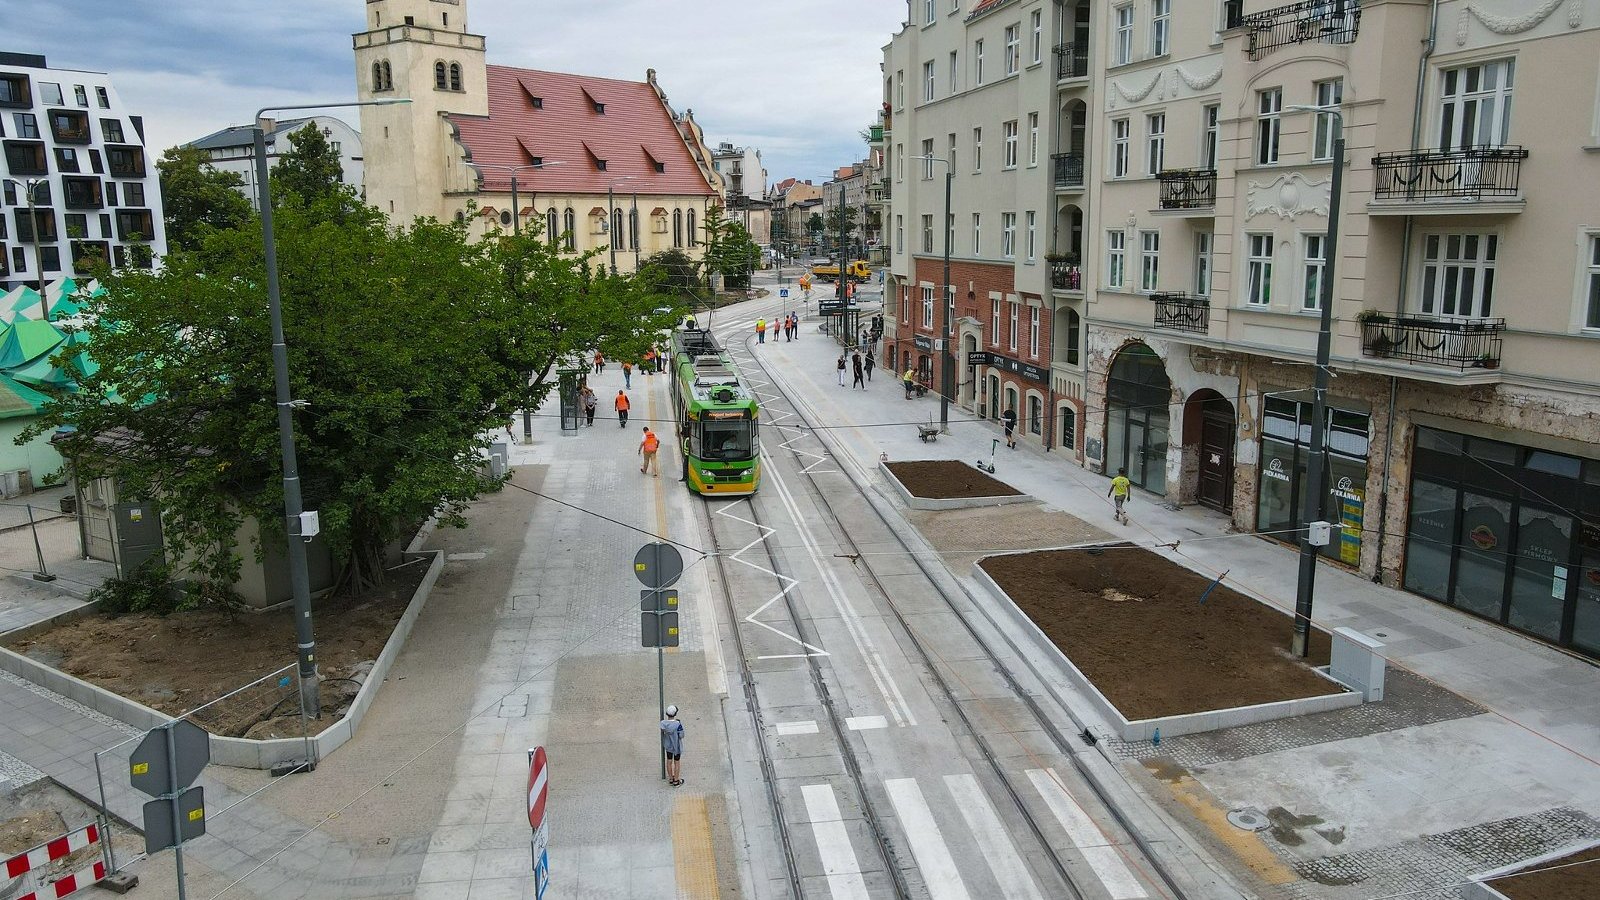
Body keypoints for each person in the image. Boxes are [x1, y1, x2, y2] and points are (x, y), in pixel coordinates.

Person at [661, 704, 684, 786]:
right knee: (677, 762)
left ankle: (671, 778)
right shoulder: (678, 724)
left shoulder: (663, 723)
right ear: (675, 714)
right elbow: (681, 735)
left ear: (667, 714)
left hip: (668, 746)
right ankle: (676, 780)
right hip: (676, 746)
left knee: (669, 761)